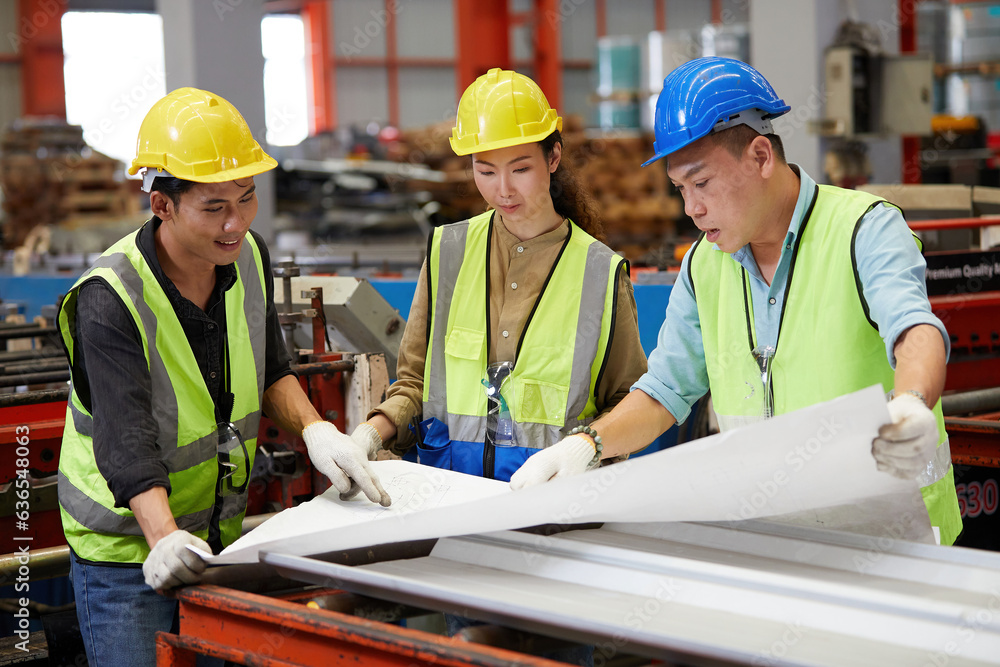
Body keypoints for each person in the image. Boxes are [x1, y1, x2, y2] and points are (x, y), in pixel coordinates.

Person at [511, 57, 963, 546]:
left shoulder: (862, 229)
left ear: (761, 156)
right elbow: (665, 391)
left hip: (894, 542)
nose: (692, 208)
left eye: (702, 183)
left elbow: (913, 329)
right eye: (680, 189)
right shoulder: (704, 266)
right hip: (776, 544)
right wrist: (586, 446)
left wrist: (913, 403)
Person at [56, 87, 390, 667]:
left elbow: (270, 370)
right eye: (214, 208)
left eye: (247, 198)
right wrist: (162, 538)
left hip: (217, 541)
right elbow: (125, 440)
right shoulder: (111, 298)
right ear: (162, 205)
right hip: (128, 553)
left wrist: (316, 431)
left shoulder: (248, 258)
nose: (235, 223)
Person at [355, 67, 646, 485]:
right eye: (485, 171)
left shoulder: (599, 270)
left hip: (551, 504)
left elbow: (626, 402)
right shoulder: (447, 252)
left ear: (554, 158)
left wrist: (583, 452)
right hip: (448, 498)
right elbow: (416, 383)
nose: (503, 190)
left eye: (520, 169)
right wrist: (369, 434)